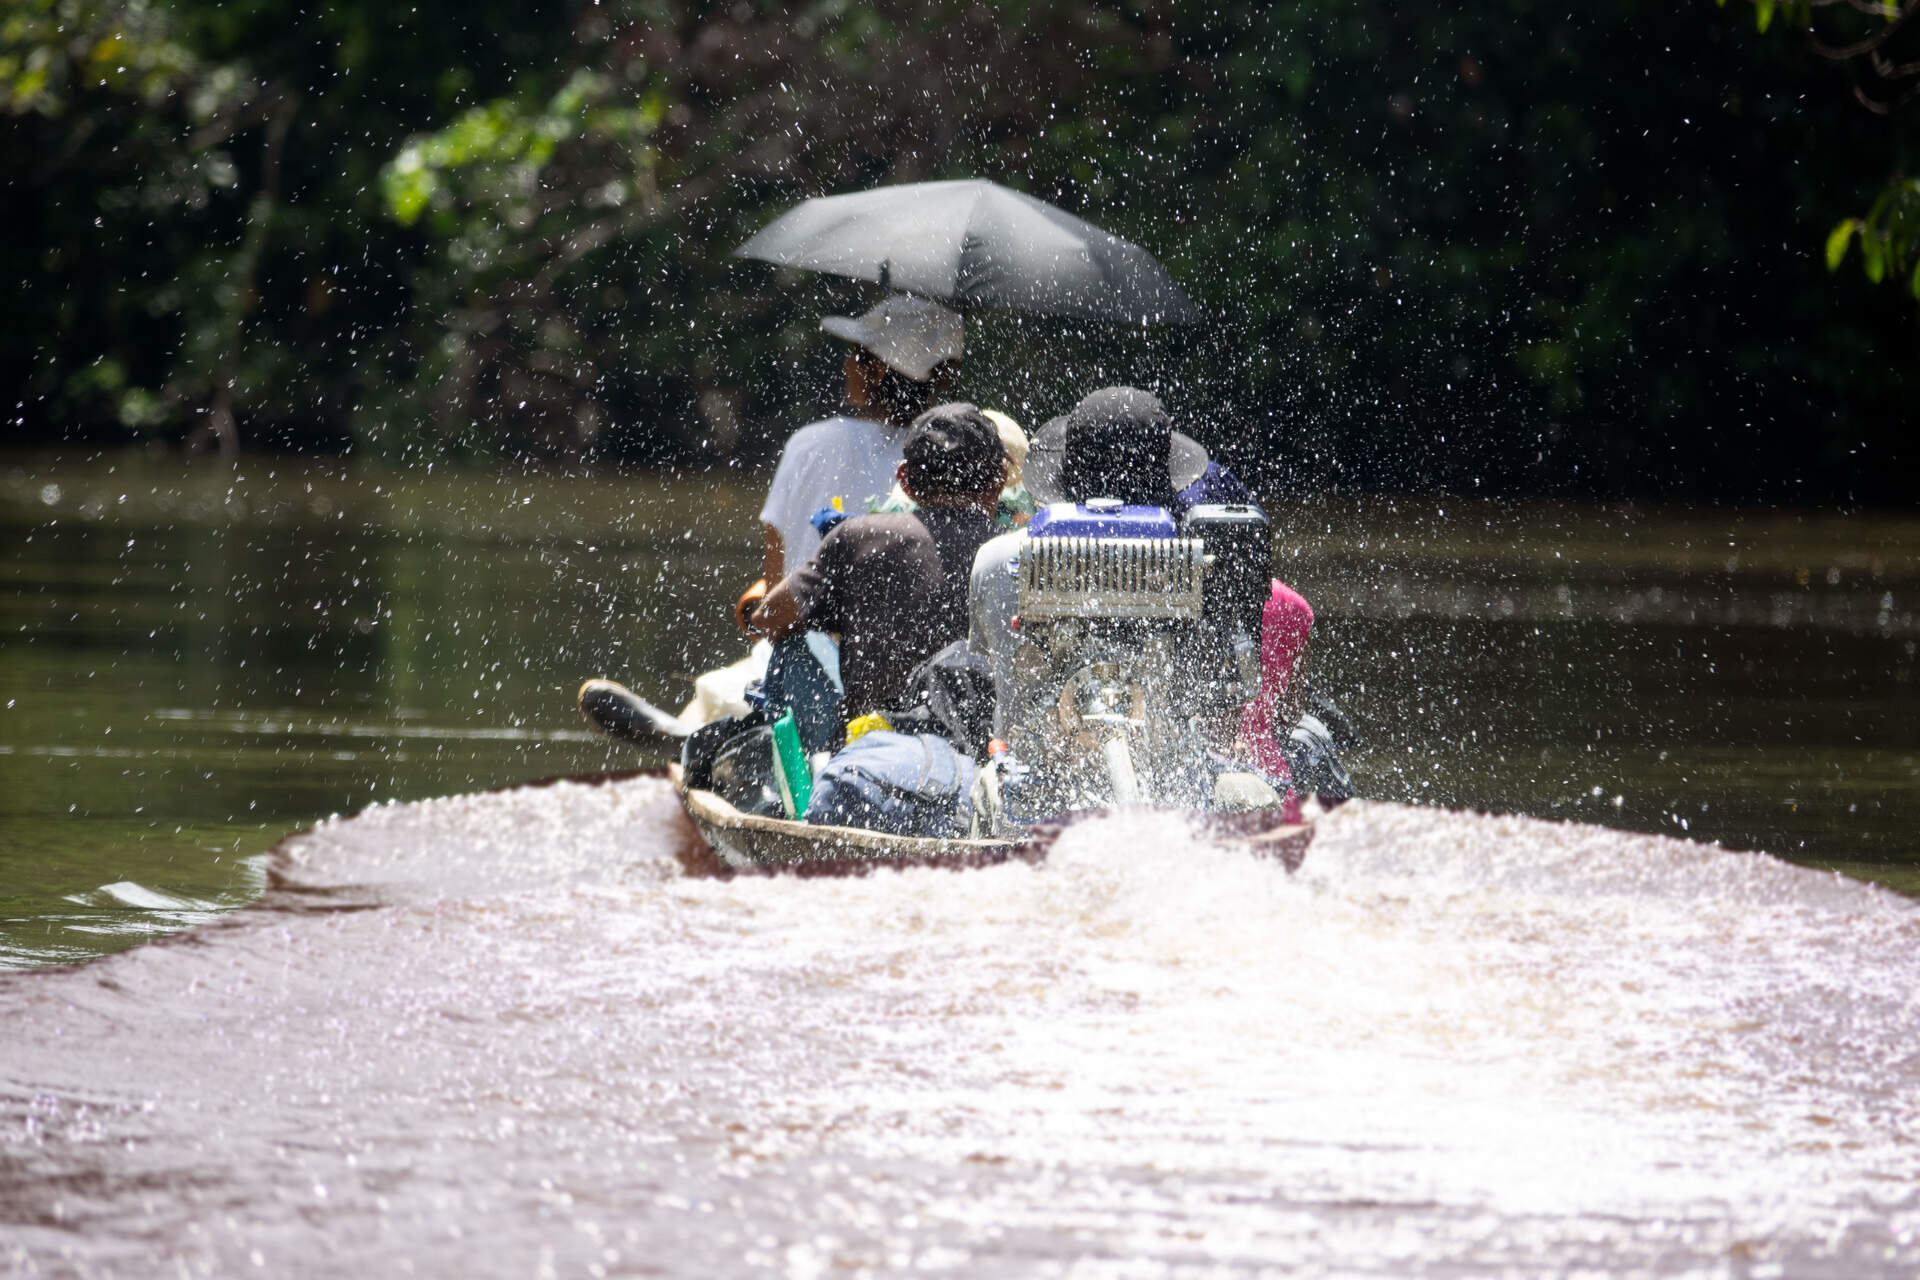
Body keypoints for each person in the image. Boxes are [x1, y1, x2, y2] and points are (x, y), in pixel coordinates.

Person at [747, 402, 1008, 745]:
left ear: (905, 481)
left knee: (797, 642)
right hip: (985, 749)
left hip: (872, 750)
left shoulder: (858, 537)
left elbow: (768, 619)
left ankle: (817, 759)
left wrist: (841, 613)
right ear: (999, 480)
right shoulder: (1015, 551)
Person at [737, 293, 964, 629]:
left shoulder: (807, 444)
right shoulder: (945, 461)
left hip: (799, 642)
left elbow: (774, 583)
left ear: (874, 371)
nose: (847, 365)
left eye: (855, 355)